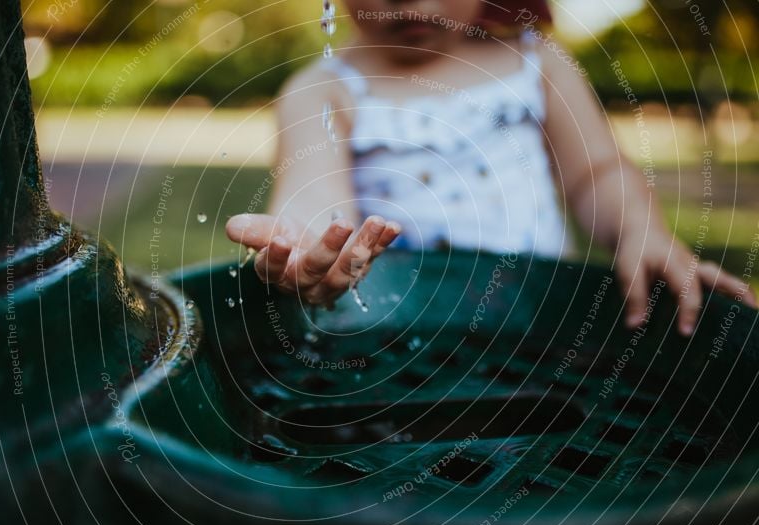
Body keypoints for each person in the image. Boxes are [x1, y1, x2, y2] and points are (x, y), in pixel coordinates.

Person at [226, 0, 756, 335]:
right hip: (397, 339)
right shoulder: (322, 89)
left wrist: (640, 228)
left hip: (542, 329)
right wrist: (310, 243)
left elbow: (595, 174)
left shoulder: (536, 63)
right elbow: (314, 191)